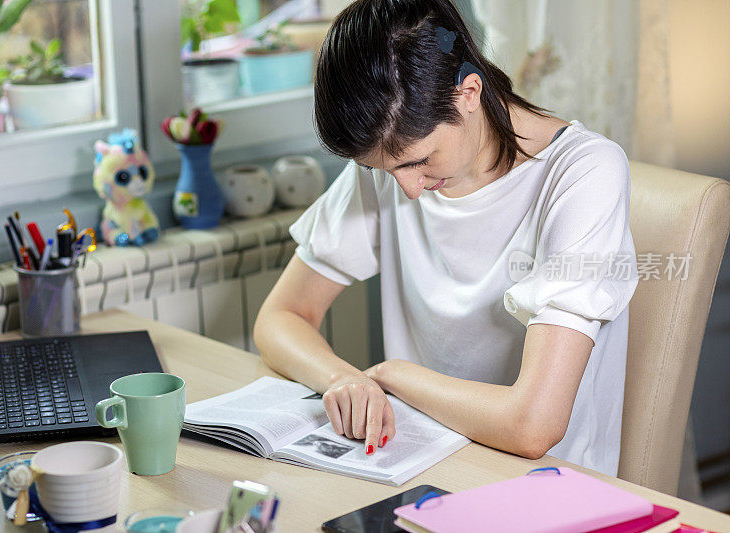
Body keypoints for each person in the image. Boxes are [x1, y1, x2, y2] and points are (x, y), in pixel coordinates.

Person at [253, 0, 638, 477]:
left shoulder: (583, 174)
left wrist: (393, 376)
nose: (408, 188)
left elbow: (533, 425)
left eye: (418, 162)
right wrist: (343, 379)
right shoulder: (394, 161)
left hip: (546, 488)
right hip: (418, 464)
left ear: (468, 93)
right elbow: (280, 317)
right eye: (382, 170)